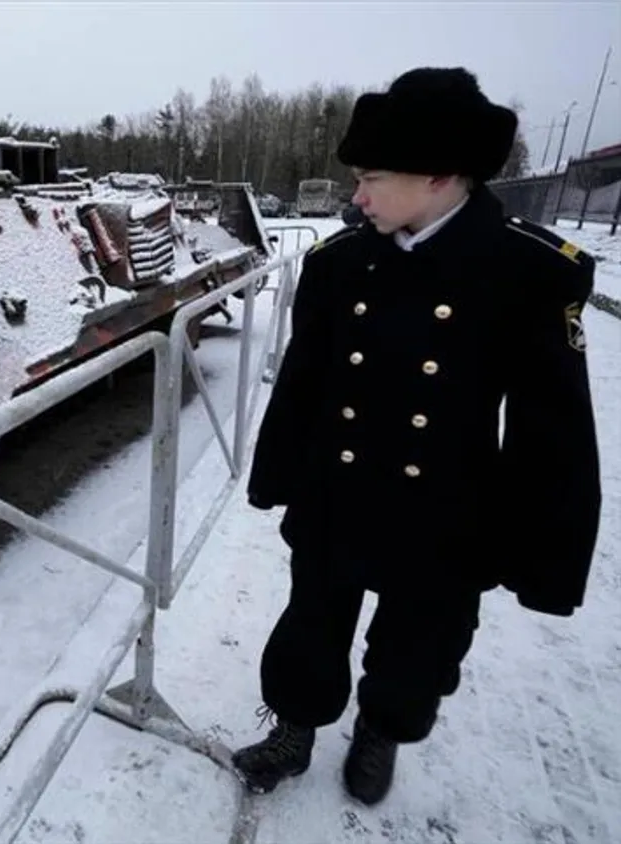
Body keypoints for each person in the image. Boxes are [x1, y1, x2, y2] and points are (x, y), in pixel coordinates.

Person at [231, 67, 601, 807]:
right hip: (337, 489)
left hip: (446, 509)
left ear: (439, 174)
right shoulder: (338, 265)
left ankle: (382, 731)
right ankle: (297, 725)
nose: (357, 196)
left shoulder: (526, 272)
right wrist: (275, 477)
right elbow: (302, 384)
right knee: (311, 621)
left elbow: (551, 428)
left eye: (372, 177)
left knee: (418, 645)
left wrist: (546, 558)